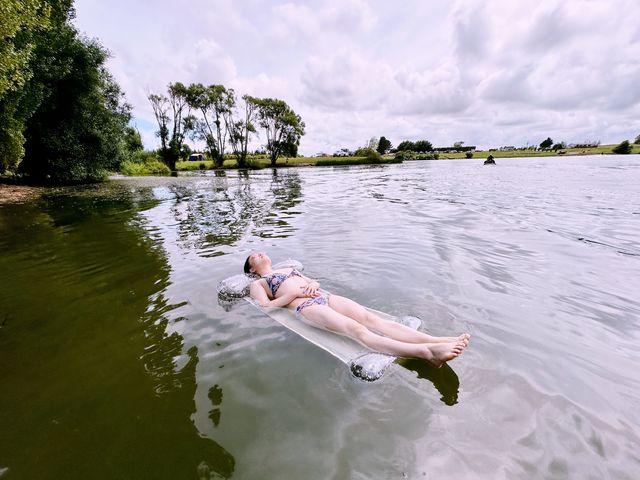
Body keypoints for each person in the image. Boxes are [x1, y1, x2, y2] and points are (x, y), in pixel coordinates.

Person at [244, 252, 470, 367]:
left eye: (261, 251)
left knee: (375, 320)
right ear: (252, 268)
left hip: (326, 297)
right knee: (358, 331)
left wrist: (313, 284)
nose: (260, 253)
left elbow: (313, 281)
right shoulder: (258, 283)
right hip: (306, 306)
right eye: (254, 255)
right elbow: (265, 306)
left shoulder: (289, 269)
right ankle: (428, 353)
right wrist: (294, 294)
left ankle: (437, 340)